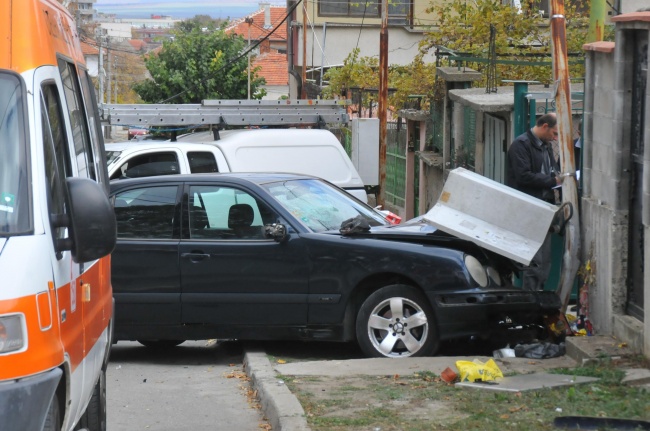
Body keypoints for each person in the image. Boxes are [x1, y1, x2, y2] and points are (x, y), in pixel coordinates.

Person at [506, 112, 562, 291]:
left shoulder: (544, 145)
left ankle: (537, 298)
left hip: (544, 206)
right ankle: (531, 301)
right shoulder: (521, 145)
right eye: (554, 133)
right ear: (544, 126)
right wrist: (554, 181)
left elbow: (550, 171)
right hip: (529, 207)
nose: (555, 138)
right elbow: (524, 176)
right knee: (535, 261)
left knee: (545, 261)